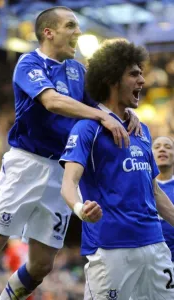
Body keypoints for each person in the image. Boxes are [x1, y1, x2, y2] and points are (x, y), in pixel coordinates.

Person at [0, 7, 141, 300]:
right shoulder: (29, 63)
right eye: (71, 25)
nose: (78, 32)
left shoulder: (77, 70)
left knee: (41, 265)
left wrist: (123, 113)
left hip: (62, 172)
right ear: (49, 32)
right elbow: (52, 101)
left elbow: (99, 105)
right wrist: (103, 117)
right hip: (26, 164)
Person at [60, 38, 174, 300]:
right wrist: (80, 210)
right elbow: (68, 183)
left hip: (155, 246)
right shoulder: (87, 128)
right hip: (111, 250)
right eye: (134, 74)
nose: (142, 81)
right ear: (112, 80)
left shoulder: (142, 130)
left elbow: (154, 191)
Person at [152, 136, 174, 265]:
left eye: (168, 147)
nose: (162, 150)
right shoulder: (141, 187)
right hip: (149, 262)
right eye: (157, 147)